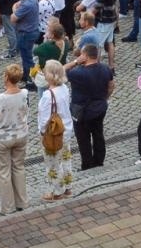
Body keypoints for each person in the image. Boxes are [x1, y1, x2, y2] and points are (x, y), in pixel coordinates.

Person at [0, 63, 33, 215]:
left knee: (3, 171)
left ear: (6, 77)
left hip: (2, 139)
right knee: (18, 167)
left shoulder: (0, 99)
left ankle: (7, 206)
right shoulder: (25, 93)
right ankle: (22, 202)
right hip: (21, 135)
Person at [66, 41, 115, 170]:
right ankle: (99, 161)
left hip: (82, 111)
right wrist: (104, 98)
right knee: (98, 135)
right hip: (100, 108)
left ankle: (87, 165)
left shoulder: (77, 73)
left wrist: (76, 62)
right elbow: (111, 86)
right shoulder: (105, 68)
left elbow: (61, 70)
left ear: (85, 56)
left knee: (83, 139)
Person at [37, 59, 76, 201]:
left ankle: (57, 191)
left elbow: (44, 118)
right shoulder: (64, 88)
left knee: (53, 163)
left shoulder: (48, 95)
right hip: (66, 129)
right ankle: (68, 188)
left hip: (53, 133)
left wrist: (42, 132)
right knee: (66, 159)